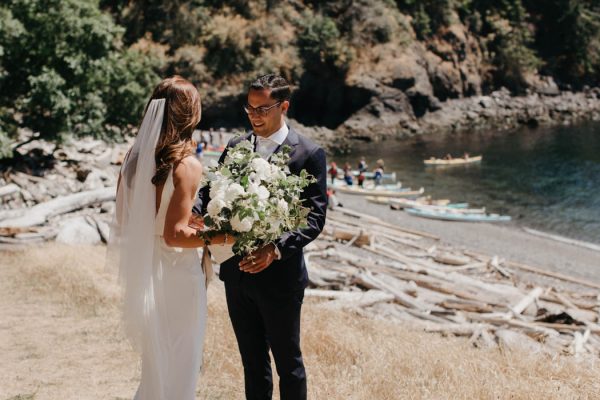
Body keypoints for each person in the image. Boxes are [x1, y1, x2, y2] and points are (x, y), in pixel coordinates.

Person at [194, 74, 327, 400]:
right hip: (236, 274)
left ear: (283, 106)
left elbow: (314, 217)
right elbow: (209, 191)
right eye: (249, 108)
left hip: (280, 277)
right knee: (252, 364)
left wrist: (275, 249)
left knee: (289, 365)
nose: (254, 115)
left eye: (262, 108)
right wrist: (196, 212)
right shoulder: (237, 146)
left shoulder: (308, 153)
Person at [109, 76, 232, 400]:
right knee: (181, 357)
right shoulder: (186, 165)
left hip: (147, 268)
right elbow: (175, 233)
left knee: (157, 360)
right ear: (189, 113)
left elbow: (126, 218)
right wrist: (220, 236)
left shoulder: (134, 160)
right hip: (177, 272)